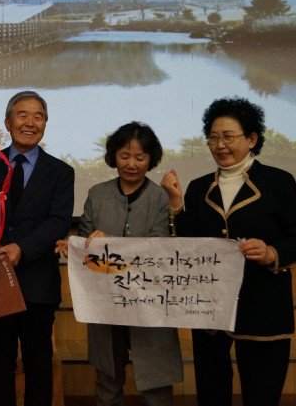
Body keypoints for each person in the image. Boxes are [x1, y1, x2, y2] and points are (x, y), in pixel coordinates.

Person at [161, 97, 296, 406]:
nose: (219, 145)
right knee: (211, 390)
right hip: (211, 308)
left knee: (262, 392)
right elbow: (192, 247)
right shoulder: (198, 186)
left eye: (228, 136)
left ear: (252, 139)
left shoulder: (279, 181)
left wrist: (272, 252)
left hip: (264, 304)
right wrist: (177, 205)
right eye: (213, 137)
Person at [56, 122, 183, 406]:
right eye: (125, 156)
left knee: (156, 380)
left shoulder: (160, 197)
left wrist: (110, 242)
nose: (132, 164)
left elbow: (160, 248)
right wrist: (74, 244)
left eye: (140, 157)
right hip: (106, 301)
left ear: (151, 160)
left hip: (149, 301)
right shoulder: (98, 194)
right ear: (113, 156)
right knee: (107, 376)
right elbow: (87, 239)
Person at [0, 90, 74, 406]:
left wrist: (22, 248)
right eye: (22, 115)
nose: (31, 122)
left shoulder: (60, 172)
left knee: (39, 366)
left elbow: (58, 221)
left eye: (39, 116)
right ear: (7, 122)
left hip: (39, 283)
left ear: (45, 124)